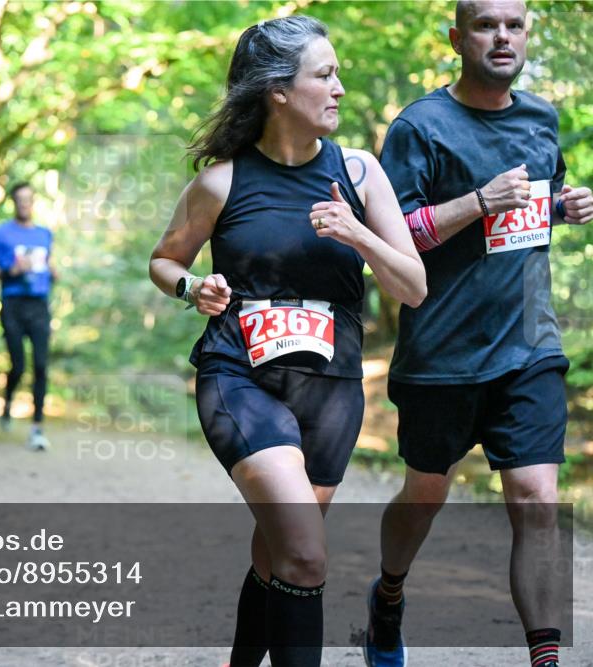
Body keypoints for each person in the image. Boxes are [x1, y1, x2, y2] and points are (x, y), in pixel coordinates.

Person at [149, 17, 426, 666]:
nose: (339, 87)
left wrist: (358, 235)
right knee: (303, 550)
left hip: (330, 390)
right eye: (323, 75)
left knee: (277, 549)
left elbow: (412, 286)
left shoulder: (358, 173)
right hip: (238, 376)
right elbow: (164, 262)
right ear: (278, 91)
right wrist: (195, 288)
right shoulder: (221, 182)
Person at [363, 3, 592, 666]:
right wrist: (475, 201)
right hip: (441, 353)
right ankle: (390, 592)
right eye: (487, 25)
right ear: (457, 38)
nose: (502, 37)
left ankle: (544, 655)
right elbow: (391, 240)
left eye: (514, 26)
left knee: (537, 499)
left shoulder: (542, 118)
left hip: (529, 345)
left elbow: (530, 213)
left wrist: (563, 206)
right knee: (424, 494)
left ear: (527, 35)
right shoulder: (420, 126)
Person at [0, 182, 56, 451]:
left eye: (29, 199)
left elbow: (47, 265)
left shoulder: (45, 234)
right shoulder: (0, 233)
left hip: (39, 306)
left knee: (40, 365)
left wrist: (53, 271)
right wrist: (11, 269)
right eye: (20, 199)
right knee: (18, 365)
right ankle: (8, 401)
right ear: (14, 202)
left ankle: (37, 427)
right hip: (12, 303)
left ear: (33, 202)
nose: (25, 203)